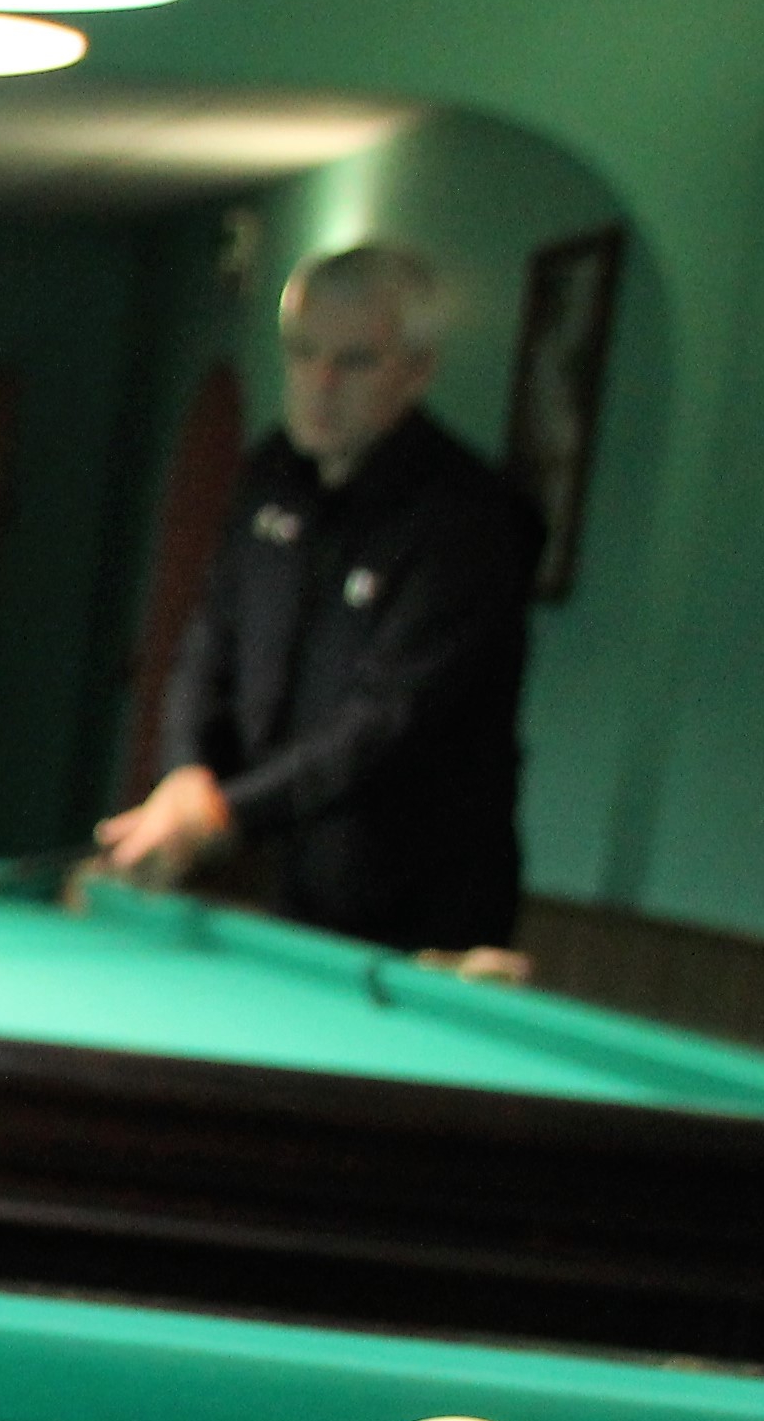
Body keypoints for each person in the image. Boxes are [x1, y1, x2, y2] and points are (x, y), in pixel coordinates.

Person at [100, 241, 542, 953]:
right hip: (281, 889)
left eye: (355, 361)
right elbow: (208, 642)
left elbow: (389, 721)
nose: (320, 382)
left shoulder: (469, 519)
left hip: (419, 916)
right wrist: (184, 770)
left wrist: (222, 813)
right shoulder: (270, 474)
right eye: (303, 354)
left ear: (418, 370)